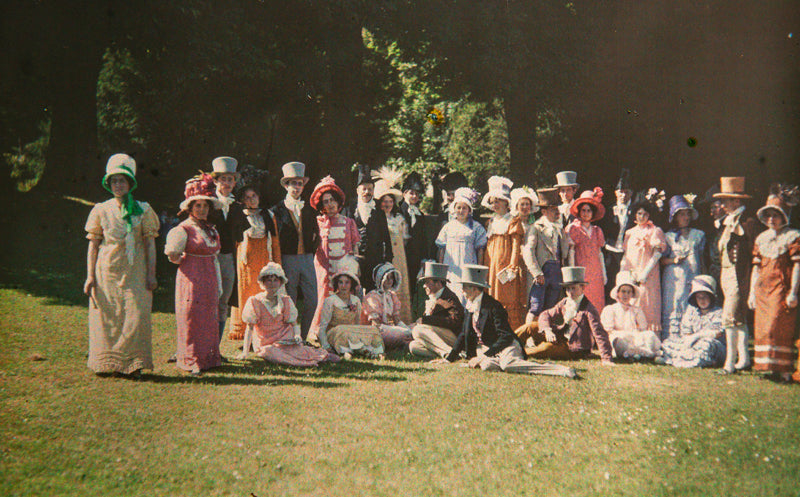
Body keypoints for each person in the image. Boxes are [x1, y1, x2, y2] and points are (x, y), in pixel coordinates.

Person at [83, 154, 159, 377]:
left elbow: (150, 245)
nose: (118, 185)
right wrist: (89, 276)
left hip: (135, 270)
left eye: (122, 181)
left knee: (135, 314)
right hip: (107, 271)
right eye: (114, 181)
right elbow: (93, 246)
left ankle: (133, 364)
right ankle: (108, 363)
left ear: (130, 184)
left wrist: (152, 274)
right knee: (108, 316)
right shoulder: (101, 210)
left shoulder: (143, 209)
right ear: (109, 183)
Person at [440, 264, 577, 378]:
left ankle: (560, 370)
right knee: (487, 366)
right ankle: (503, 361)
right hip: (490, 349)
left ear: (475, 289)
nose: (462, 290)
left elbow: (505, 336)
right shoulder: (470, 306)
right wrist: (448, 359)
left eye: (465, 287)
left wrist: (484, 355)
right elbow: (464, 334)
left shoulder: (493, 306)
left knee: (508, 365)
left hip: (507, 345)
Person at [164, 173, 223, 376]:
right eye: (197, 206)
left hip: (209, 277)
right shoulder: (184, 229)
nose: (202, 209)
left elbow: (214, 255)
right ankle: (191, 359)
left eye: (205, 206)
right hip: (191, 278)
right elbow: (172, 253)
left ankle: (208, 358)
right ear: (190, 208)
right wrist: (181, 259)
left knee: (208, 316)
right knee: (191, 316)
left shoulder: (211, 229)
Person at [239, 263, 339, 366]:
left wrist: (297, 335)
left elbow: (294, 324)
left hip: (285, 340)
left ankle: (321, 355)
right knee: (270, 352)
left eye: (275, 280)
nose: (272, 284)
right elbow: (249, 328)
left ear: (280, 283)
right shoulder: (255, 301)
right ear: (263, 282)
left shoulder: (285, 300)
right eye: (269, 280)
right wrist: (245, 352)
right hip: (266, 343)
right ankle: (302, 362)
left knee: (296, 350)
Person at [749, 185, 800, 382]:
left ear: (784, 216)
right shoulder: (762, 238)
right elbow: (756, 268)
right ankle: (768, 367)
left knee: (778, 325)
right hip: (763, 289)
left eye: (776, 215)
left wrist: (794, 291)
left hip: (781, 288)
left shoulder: (793, 237)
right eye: (768, 215)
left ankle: (784, 369)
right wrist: (752, 293)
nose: (771, 220)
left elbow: (797, 266)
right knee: (763, 328)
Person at [514, 266, 614, 365]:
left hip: (575, 349)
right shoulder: (565, 301)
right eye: (567, 289)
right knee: (530, 326)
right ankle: (506, 345)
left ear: (582, 288)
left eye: (573, 288)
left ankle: (517, 354)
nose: (570, 292)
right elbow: (546, 314)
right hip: (560, 337)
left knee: (547, 348)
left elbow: (600, 334)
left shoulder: (589, 310)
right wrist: (547, 330)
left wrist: (606, 358)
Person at [714, 177, 760, 374]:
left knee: (730, 316)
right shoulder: (727, 222)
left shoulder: (747, 222)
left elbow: (753, 251)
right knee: (739, 318)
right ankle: (744, 359)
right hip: (726, 273)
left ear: (737, 202)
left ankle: (730, 363)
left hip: (739, 274)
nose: (722, 205)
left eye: (726, 201)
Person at [307, 176, 361, 341]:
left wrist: (355, 267)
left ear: (338, 202)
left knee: (345, 295)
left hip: (344, 266)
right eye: (325, 202)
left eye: (332, 200)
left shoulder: (349, 222)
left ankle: (344, 328)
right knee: (324, 296)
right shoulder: (318, 222)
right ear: (321, 206)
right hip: (325, 267)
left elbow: (356, 246)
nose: (329, 204)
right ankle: (319, 331)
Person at [271, 161, 319, 339]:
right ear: (286, 185)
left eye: (300, 183)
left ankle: (304, 337)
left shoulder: (309, 209)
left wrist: (312, 250)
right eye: (293, 183)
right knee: (288, 301)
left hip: (307, 258)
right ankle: (288, 337)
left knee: (313, 299)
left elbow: (316, 233)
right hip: (287, 259)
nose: (297, 187)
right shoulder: (276, 210)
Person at [228, 185, 281, 340]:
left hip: (264, 255)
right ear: (242, 200)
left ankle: (263, 331)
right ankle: (245, 332)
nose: (251, 200)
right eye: (247, 197)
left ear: (259, 197)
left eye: (254, 196)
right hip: (246, 260)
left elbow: (275, 241)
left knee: (263, 292)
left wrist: (277, 262)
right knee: (247, 292)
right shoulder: (240, 215)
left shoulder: (268, 215)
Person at [481, 176, 527, 330]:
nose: (496, 205)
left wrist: (513, 266)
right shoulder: (491, 222)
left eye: (499, 201)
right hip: (492, 263)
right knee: (492, 295)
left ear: (507, 203)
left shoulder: (513, 221)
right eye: (493, 202)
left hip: (506, 263)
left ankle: (510, 330)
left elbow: (516, 245)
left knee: (507, 295)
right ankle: (494, 330)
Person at [317, 258, 385, 359]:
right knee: (342, 330)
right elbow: (322, 328)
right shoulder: (330, 300)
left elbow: (357, 324)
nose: (343, 286)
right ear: (337, 284)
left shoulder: (356, 300)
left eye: (347, 282)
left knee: (372, 330)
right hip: (335, 333)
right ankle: (347, 350)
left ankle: (372, 350)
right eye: (340, 282)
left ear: (351, 284)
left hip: (350, 332)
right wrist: (325, 345)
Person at [207, 156, 242, 343]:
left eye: (230, 179)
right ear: (215, 181)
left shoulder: (238, 207)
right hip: (209, 258)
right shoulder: (207, 203)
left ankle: (215, 348)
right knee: (208, 301)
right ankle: (202, 346)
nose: (227, 183)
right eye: (223, 179)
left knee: (223, 303)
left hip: (228, 258)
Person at [370, 167, 412, 322]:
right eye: (384, 201)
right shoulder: (377, 219)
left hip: (399, 256)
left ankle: (402, 318)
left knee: (399, 282)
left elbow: (405, 239)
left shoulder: (399, 219)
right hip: (384, 255)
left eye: (390, 201)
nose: (387, 204)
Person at [660, 195, 705, 338]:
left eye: (687, 214)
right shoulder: (668, 237)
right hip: (674, 277)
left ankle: (689, 337)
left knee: (691, 304)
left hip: (692, 275)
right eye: (682, 214)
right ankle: (671, 339)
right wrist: (674, 260)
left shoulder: (698, 235)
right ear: (675, 217)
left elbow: (702, 259)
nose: (686, 218)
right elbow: (661, 261)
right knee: (673, 304)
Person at [620, 200, 667, 336]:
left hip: (648, 274)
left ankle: (651, 339)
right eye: (639, 213)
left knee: (648, 302)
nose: (641, 217)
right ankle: (633, 339)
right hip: (632, 272)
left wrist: (645, 272)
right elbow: (625, 254)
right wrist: (624, 272)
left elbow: (657, 254)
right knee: (632, 302)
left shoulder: (654, 231)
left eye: (645, 214)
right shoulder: (629, 232)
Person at [659, 275, 725, 368]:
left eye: (705, 297)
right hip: (693, 344)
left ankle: (688, 360)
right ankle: (685, 358)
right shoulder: (692, 312)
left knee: (706, 344)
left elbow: (717, 333)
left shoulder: (719, 312)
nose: (702, 300)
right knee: (668, 342)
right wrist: (689, 340)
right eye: (699, 297)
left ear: (711, 297)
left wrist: (696, 336)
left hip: (712, 345)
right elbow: (686, 332)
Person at [435, 187, 488, 303]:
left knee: (467, 291)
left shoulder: (476, 227)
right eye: (458, 207)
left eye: (464, 208)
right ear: (454, 209)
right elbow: (441, 249)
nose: (461, 210)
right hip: (451, 265)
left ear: (469, 211)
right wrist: (440, 268)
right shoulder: (448, 227)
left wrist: (478, 269)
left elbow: (480, 250)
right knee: (451, 289)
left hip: (468, 263)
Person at [523, 188, 569, 318]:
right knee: (535, 306)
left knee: (551, 308)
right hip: (542, 271)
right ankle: (530, 336)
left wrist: (564, 234)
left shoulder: (559, 228)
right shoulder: (536, 228)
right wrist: (536, 273)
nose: (557, 212)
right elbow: (528, 251)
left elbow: (564, 253)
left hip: (556, 272)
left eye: (557, 209)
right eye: (553, 209)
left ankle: (546, 333)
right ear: (544, 211)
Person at [408, 261, 465, 359]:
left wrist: (426, 320)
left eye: (427, 282)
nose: (424, 286)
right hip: (438, 338)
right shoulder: (433, 297)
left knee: (418, 330)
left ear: (438, 283)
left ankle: (450, 352)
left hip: (453, 337)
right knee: (414, 346)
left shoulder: (449, 298)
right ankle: (446, 353)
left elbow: (455, 321)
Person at [601, 271, 661, 360]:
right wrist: (626, 335)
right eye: (623, 292)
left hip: (635, 337)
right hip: (620, 336)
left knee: (650, 334)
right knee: (618, 341)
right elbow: (609, 330)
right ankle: (639, 353)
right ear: (618, 293)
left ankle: (638, 353)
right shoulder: (610, 309)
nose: (626, 295)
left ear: (632, 294)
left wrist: (636, 334)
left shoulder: (636, 310)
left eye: (629, 292)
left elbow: (643, 327)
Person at [346, 163, 387, 290]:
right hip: (356, 257)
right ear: (357, 190)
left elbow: (385, 235)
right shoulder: (350, 209)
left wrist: (387, 258)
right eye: (363, 189)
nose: (367, 192)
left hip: (375, 257)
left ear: (373, 190)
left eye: (370, 189)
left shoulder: (379, 209)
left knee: (373, 290)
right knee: (355, 289)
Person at [566, 187, 607, 314]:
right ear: (579, 212)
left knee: (597, 302)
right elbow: (571, 252)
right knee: (582, 303)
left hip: (596, 273)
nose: (586, 213)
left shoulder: (597, 230)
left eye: (589, 211)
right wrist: (573, 275)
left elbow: (600, 253)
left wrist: (604, 273)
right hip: (581, 271)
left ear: (593, 213)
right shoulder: (574, 228)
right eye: (583, 210)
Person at [601, 169, 636, 302]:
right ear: (616, 193)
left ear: (631, 193)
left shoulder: (635, 211)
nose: (623, 195)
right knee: (610, 283)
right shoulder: (609, 210)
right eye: (620, 192)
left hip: (628, 253)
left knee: (626, 284)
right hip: (611, 251)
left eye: (626, 192)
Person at [363, 262, 413, 352]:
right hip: (379, 331)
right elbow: (376, 325)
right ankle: (402, 344)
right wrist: (398, 331)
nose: (390, 281)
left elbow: (396, 319)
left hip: (391, 328)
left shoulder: (392, 296)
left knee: (415, 329)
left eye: (392, 278)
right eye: (387, 278)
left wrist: (406, 328)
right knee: (405, 334)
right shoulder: (372, 296)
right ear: (380, 279)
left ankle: (404, 344)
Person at [400, 171, 428, 318]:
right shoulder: (398, 210)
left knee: (413, 287)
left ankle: (412, 316)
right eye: (411, 193)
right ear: (404, 193)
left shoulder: (420, 215)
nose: (414, 197)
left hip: (415, 258)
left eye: (417, 194)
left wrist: (423, 258)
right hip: (401, 254)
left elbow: (423, 238)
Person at [510, 186, 540, 298]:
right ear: (517, 206)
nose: (525, 207)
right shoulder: (513, 223)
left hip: (531, 261)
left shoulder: (535, 224)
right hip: (517, 261)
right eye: (522, 204)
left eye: (527, 204)